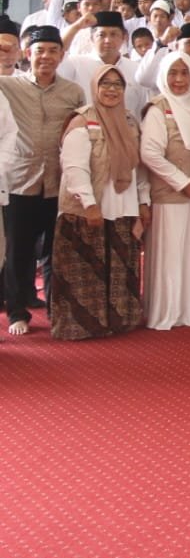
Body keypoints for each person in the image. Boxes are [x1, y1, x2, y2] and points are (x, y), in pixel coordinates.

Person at [51, 65, 148, 340]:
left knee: (119, 268)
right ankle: (82, 326)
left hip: (122, 207)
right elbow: (74, 168)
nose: (112, 90)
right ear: (95, 87)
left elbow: (138, 167)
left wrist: (143, 201)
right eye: (105, 84)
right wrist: (90, 205)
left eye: (118, 84)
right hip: (86, 211)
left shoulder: (129, 121)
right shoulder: (82, 121)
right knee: (85, 268)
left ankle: (118, 321)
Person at [0, 25, 81, 335]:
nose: (45, 56)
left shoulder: (73, 91)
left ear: (61, 55)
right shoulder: (10, 85)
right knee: (17, 250)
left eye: (52, 50)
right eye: (39, 50)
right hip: (20, 180)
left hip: (58, 181)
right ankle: (17, 310)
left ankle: (53, 306)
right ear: (27, 54)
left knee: (55, 250)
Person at [140, 52, 190, 330]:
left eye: (185, 73)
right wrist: (183, 183)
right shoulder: (158, 108)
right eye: (173, 73)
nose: (180, 79)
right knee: (171, 250)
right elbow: (150, 154)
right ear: (162, 76)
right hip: (172, 189)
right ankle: (168, 310)